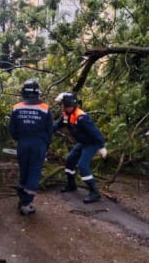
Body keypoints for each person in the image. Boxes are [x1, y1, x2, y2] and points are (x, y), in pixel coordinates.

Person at [53, 92, 107, 203]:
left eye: (63, 104)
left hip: (92, 143)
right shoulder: (66, 115)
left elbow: (95, 132)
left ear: (68, 104)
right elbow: (57, 125)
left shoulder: (81, 117)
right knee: (69, 161)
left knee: (82, 166)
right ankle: (71, 185)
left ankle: (95, 193)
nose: (62, 106)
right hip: (82, 143)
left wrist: (102, 147)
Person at [9, 79, 53, 215]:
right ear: (37, 93)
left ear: (23, 92)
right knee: (34, 172)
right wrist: (46, 145)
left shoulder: (16, 107)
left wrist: (20, 139)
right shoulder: (45, 109)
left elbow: (12, 129)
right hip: (39, 145)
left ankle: (22, 199)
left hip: (23, 144)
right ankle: (26, 204)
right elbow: (49, 130)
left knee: (24, 171)